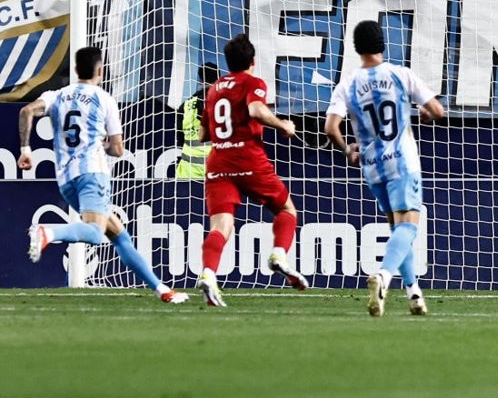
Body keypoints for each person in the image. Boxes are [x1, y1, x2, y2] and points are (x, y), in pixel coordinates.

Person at [19, 47, 188, 303]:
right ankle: (47, 232)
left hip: (66, 179)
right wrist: (104, 143)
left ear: (75, 70)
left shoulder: (56, 96)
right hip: (93, 173)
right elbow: (118, 149)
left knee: (119, 235)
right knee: (96, 233)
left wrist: (25, 149)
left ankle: (162, 289)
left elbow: (26, 111)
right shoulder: (103, 99)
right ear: (100, 71)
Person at [326, 20, 445, 317]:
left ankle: (414, 294)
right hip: (403, 160)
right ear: (383, 44)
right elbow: (438, 111)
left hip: (372, 166)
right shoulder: (400, 74)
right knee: (408, 227)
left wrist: (346, 149)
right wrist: (424, 115)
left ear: (356, 48)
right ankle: (384, 276)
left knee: (396, 228)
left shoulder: (348, 84)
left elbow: (330, 127)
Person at [197, 34, 308, 307]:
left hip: (219, 161)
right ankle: (279, 255)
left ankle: (209, 273)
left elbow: (203, 134)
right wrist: (283, 125)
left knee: (221, 226)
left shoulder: (214, 89)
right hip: (247, 158)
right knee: (286, 210)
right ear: (253, 61)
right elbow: (256, 110)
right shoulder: (253, 82)